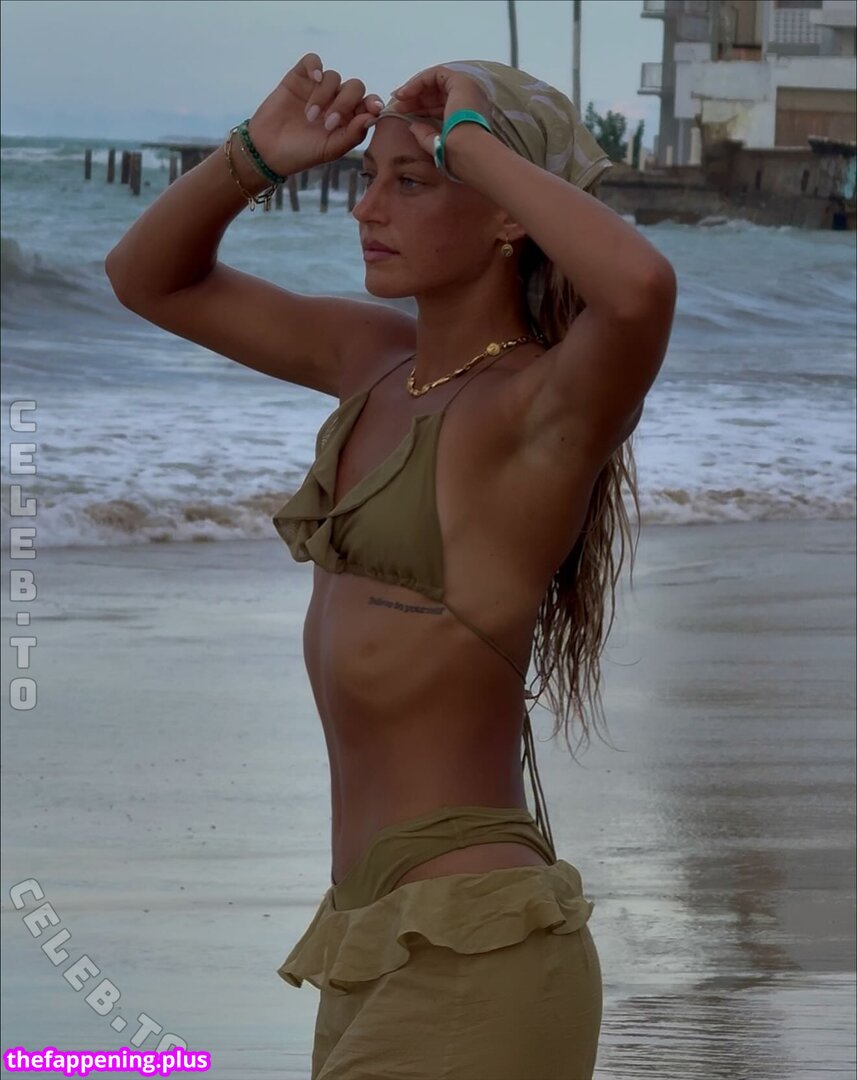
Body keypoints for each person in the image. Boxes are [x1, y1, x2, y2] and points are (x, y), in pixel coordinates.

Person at [105, 52, 676, 1080]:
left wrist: (470, 142)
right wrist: (254, 155)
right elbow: (147, 278)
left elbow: (638, 289)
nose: (367, 209)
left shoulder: (543, 409)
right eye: (366, 179)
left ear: (507, 216)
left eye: (410, 183)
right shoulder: (371, 363)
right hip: (367, 941)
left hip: (477, 942)